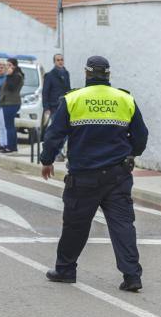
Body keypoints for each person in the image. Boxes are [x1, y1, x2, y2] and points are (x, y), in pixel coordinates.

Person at [40, 56, 149, 292]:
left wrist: (47, 160)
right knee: (122, 226)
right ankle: (132, 276)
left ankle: (65, 269)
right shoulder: (125, 99)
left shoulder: (73, 99)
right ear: (108, 75)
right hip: (118, 175)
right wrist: (131, 153)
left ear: (87, 74)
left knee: (75, 225)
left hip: (84, 176)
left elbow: (54, 135)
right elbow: (141, 135)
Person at [43, 53, 71, 161]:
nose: (60, 61)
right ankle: (56, 153)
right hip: (54, 107)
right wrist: (46, 108)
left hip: (65, 106)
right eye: (58, 60)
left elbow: (68, 89)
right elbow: (45, 93)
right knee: (57, 131)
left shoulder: (66, 73)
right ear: (54, 62)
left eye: (62, 59)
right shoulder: (49, 75)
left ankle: (60, 151)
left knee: (67, 132)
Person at [2, 58, 24, 154]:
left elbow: (11, 87)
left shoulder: (16, 76)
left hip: (11, 103)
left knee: (9, 126)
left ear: (14, 66)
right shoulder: (14, 75)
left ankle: (11, 147)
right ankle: (11, 145)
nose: (8, 67)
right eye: (7, 65)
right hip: (8, 102)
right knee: (10, 125)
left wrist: (8, 75)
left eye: (10, 65)